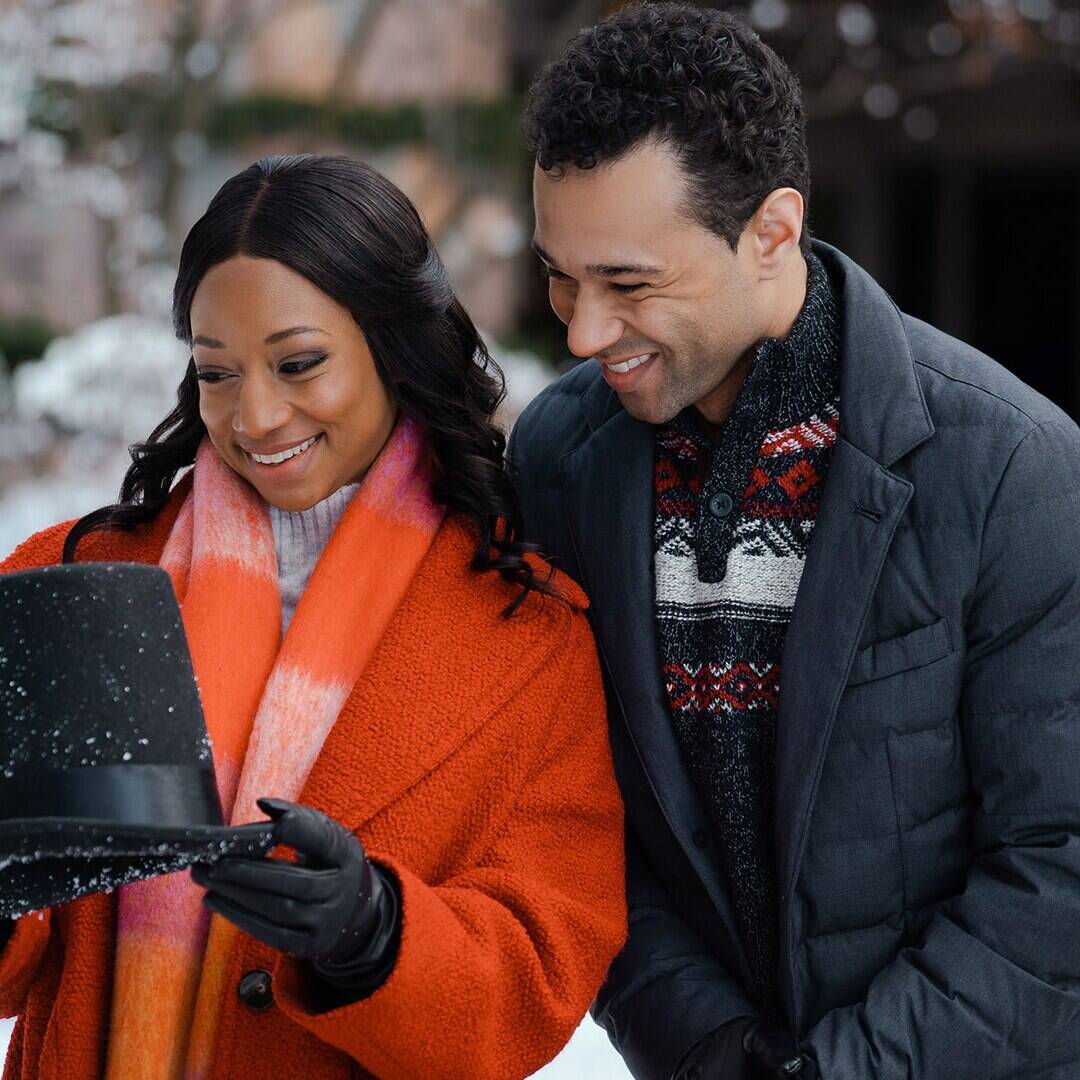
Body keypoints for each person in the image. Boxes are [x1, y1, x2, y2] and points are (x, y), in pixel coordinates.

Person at [508, 5, 1080, 1079]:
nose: (582, 331)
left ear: (771, 231)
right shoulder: (556, 460)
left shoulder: (1014, 467)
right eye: (559, 275)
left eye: (629, 283)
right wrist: (710, 1049)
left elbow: (1061, 868)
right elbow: (576, 823)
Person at [0, 153, 627, 1080]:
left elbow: (543, 967)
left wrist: (374, 933)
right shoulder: (70, 580)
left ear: (395, 346)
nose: (255, 416)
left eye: (299, 363)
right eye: (216, 373)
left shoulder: (530, 639)